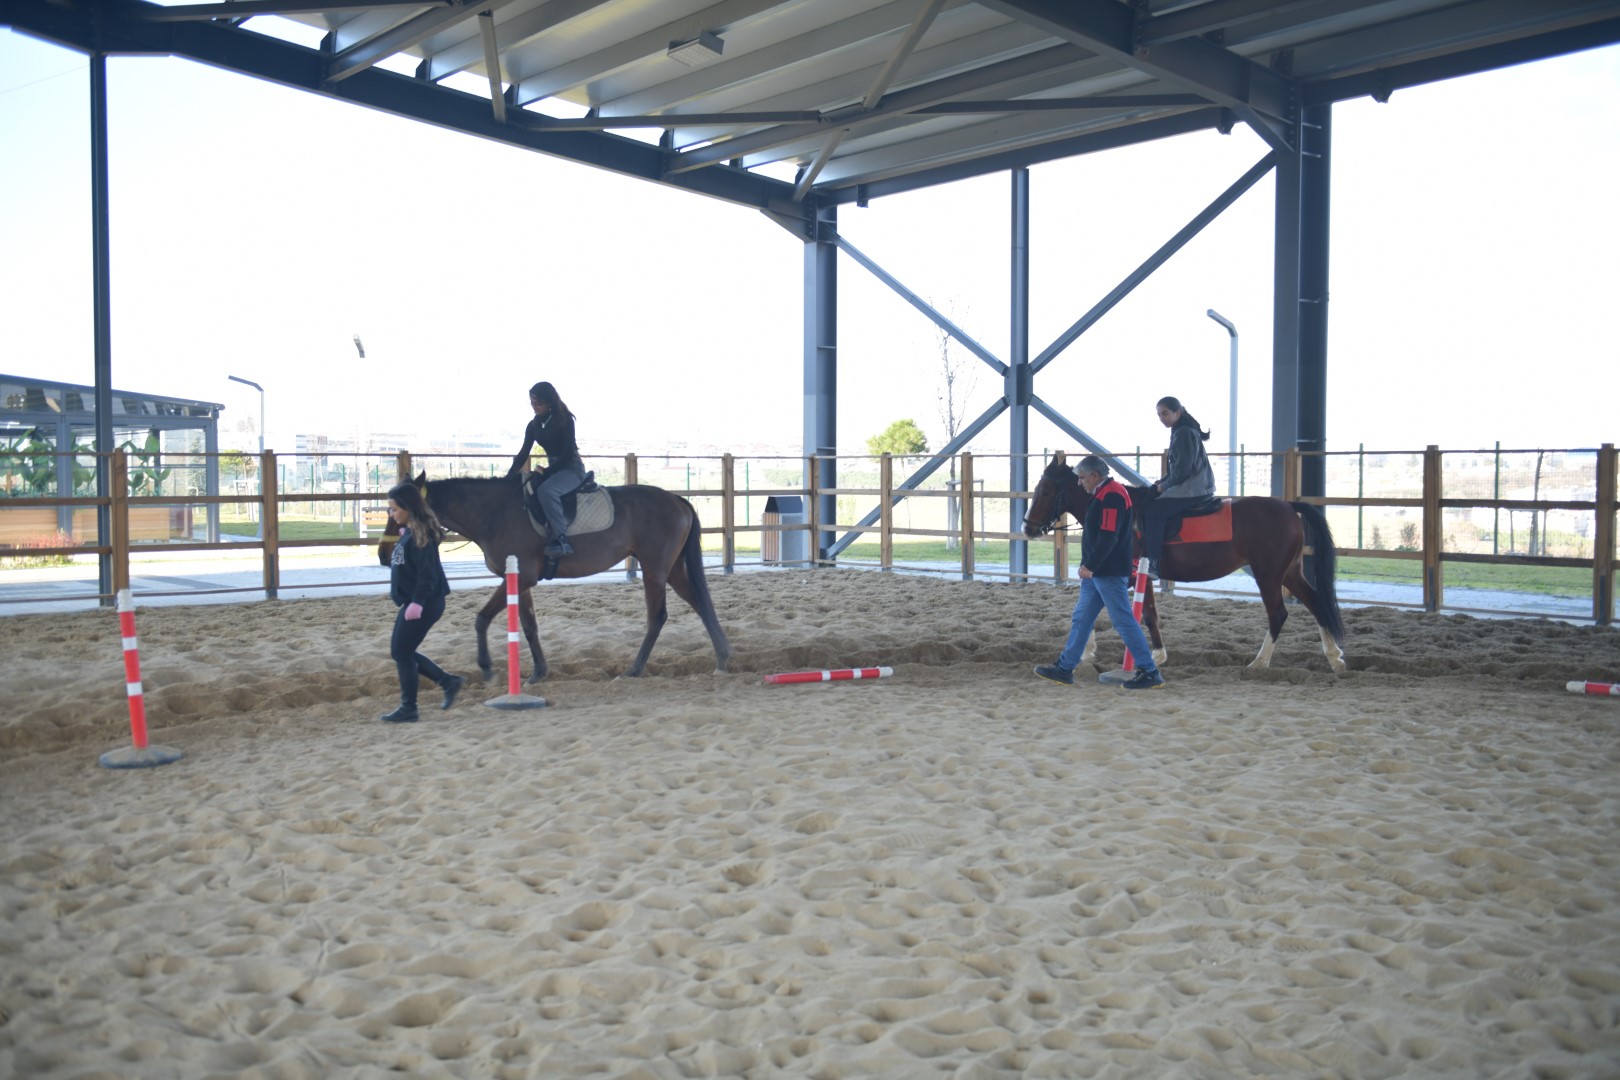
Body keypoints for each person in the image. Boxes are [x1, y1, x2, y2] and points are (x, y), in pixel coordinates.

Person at [1033, 455, 1165, 690]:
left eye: (1083, 478)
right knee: (1082, 619)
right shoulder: (1104, 494)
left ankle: (1149, 670)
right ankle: (1065, 668)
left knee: (1123, 620)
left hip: (1106, 571)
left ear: (1095, 475)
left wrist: (1091, 565)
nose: (1080, 483)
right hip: (1098, 573)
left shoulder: (1111, 496)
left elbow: (1108, 536)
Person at [382, 482, 464, 723]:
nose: (391, 513)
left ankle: (410, 707)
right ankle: (448, 682)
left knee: (402, 653)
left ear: (408, 508)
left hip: (424, 602)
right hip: (412, 601)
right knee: (401, 652)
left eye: (395, 509)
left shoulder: (422, 537)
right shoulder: (411, 533)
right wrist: (404, 537)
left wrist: (417, 602)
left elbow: (428, 576)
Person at [1140, 395, 1216, 579]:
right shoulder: (1182, 429)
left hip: (1193, 489)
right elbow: (1179, 468)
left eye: (1165, 413)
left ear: (1177, 412)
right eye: (1159, 415)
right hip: (1198, 485)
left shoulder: (1182, 432)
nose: (1162, 418)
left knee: (1153, 512)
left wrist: (1163, 487)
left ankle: (1155, 564)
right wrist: (1163, 481)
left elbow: (1182, 471)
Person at [506, 381, 585, 557]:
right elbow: (523, 454)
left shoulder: (566, 420)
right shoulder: (533, 425)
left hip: (571, 468)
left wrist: (548, 472)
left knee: (547, 492)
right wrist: (509, 476)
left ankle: (561, 538)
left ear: (549, 402)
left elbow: (567, 453)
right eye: (532, 403)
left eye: (538, 403)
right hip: (554, 469)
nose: (534, 407)